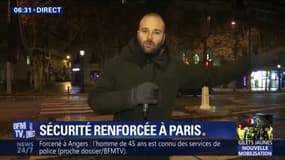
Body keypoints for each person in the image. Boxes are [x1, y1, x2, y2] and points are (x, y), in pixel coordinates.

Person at [88, 12, 282, 160]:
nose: (149, 37)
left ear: (163, 37)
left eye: (156, 32)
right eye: (145, 31)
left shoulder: (174, 68)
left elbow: (216, 74)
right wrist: (131, 97)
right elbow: (95, 100)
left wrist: (255, 61)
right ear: (138, 33)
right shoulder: (117, 64)